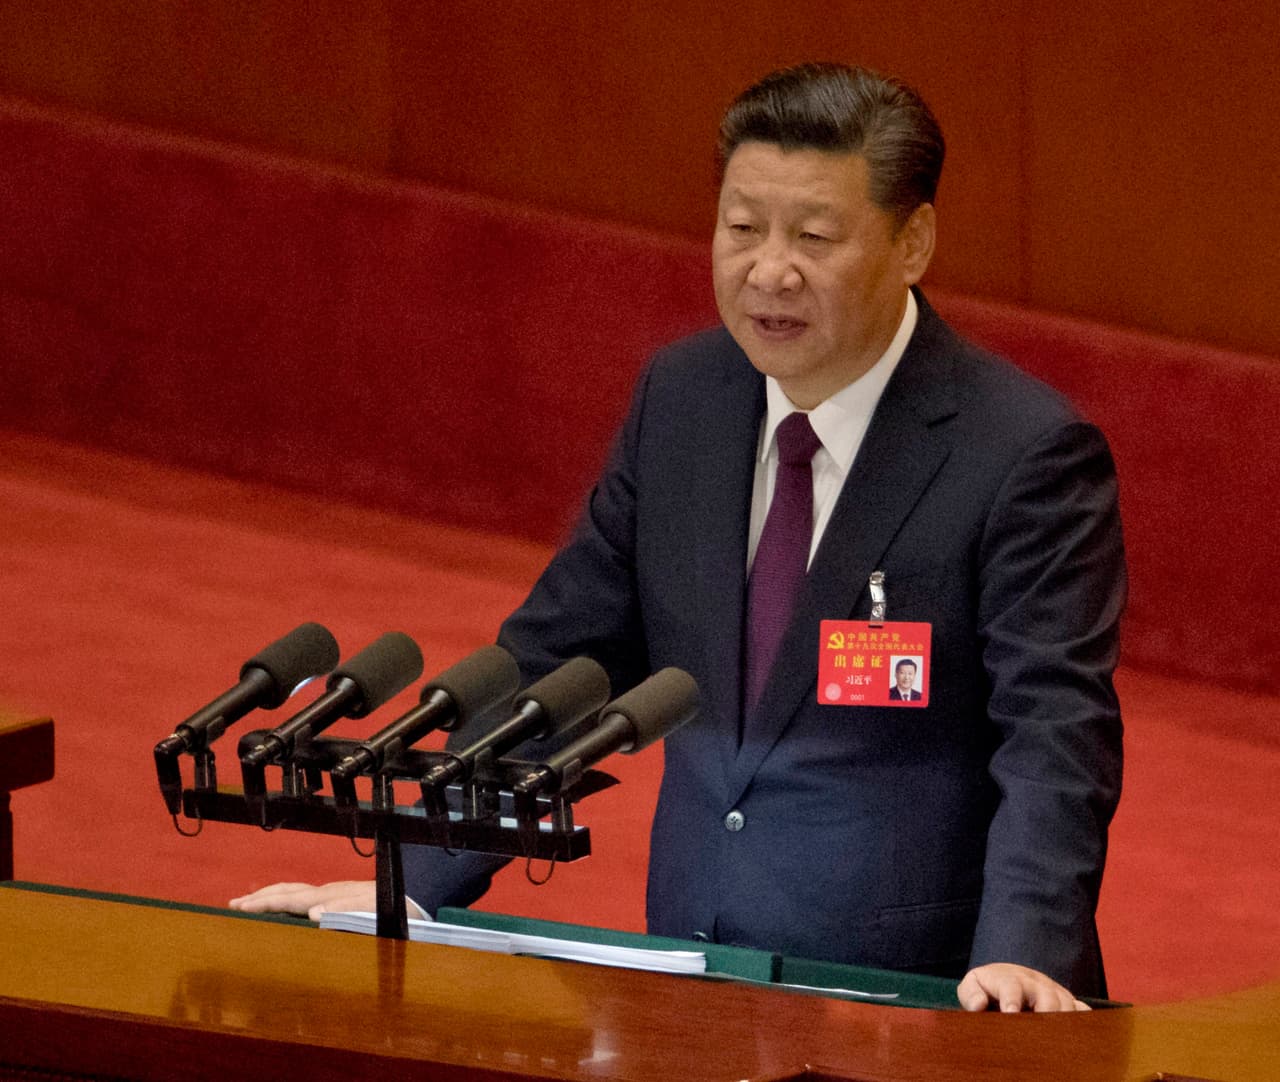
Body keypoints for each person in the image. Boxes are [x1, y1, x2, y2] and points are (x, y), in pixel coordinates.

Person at [233, 63, 1125, 1014]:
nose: (768, 271)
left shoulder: (1021, 455)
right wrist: (410, 881)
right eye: (742, 229)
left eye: (814, 237)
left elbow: (1055, 734)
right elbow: (562, 665)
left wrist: (1025, 952)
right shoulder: (686, 402)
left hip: (919, 1000)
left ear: (913, 241)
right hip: (695, 985)